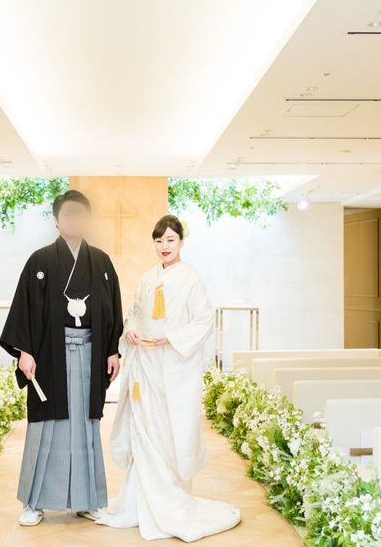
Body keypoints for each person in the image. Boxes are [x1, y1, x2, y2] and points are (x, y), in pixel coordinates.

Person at [97, 215, 241, 542]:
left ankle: (170, 502)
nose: (164, 246)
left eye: (170, 240)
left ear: (181, 242)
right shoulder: (147, 278)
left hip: (175, 368)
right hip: (145, 367)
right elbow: (134, 314)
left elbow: (204, 320)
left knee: (168, 433)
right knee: (144, 431)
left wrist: (172, 338)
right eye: (159, 240)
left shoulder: (191, 278)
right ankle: (138, 504)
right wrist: (131, 331)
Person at [0, 189, 123, 527]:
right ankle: (35, 502)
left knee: (84, 425)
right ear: (57, 220)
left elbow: (113, 308)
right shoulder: (39, 261)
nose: (73, 220)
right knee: (47, 426)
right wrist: (25, 351)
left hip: (89, 354)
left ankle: (87, 500)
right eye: (67, 214)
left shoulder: (101, 262)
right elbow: (24, 309)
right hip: (49, 356)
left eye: (79, 214)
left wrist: (112, 349)